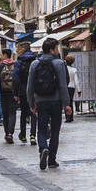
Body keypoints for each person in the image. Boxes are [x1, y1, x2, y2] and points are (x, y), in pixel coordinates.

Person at [28, 37, 71, 170]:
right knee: (55, 130)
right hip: (56, 101)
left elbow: (30, 86)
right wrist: (67, 104)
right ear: (52, 50)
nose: (58, 51)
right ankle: (52, 160)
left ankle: (43, 148)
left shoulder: (35, 64)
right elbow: (63, 85)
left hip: (41, 101)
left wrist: (31, 103)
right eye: (57, 48)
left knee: (41, 129)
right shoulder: (59, 63)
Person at [13, 41, 37, 145]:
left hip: (23, 90)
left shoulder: (19, 62)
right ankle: (33, 135)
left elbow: (16, 77)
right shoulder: (35, 60)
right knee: (33, 112)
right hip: (34, 90)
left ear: (23, 49)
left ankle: (23, 135)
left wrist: (15, 92)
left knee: (23, 113)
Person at [0, 48, 17, 143]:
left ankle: (7, 133)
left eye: (1, 55)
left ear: (5, 55)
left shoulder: (0, 67)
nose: (0, 56)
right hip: (13, 93)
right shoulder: (16, 65)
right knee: (12, 113)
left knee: (5, 114)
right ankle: (11, 133)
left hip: (3, 93)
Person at [64, 55, 81, 123]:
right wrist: (78, 90)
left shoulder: (64, 69)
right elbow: (76, 81)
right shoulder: (74, 70)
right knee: (70, 101)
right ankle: (71, 117)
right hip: (72, 87)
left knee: (66, 102)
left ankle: (67, 116)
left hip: (65, 86)